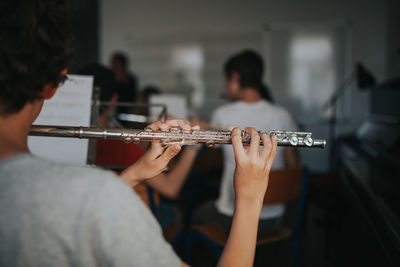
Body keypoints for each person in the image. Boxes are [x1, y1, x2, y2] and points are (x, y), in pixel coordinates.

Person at [0, 1, 278, 267]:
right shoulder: (95, 197)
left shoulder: (87, 196)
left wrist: (133, 174)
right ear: (54, 83)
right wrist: (251, 195)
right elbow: (83, 207)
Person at [192, 50, 299, 235]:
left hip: (235, 218)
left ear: (235, 78)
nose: (226, 86)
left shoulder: (222, 114)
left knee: (195, 213)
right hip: (275, 217)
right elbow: (293, 163)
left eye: (226, 81)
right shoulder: (282, 115)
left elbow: (209, 161)